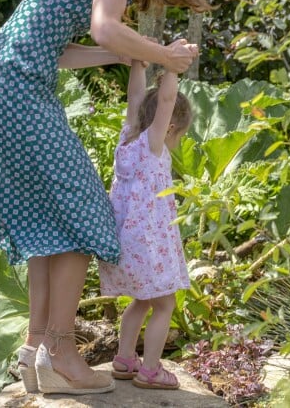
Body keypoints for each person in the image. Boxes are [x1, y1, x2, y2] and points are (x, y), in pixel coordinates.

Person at [0, 0, 208, 396]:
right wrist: (165, 57)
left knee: (47, 222)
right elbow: (103, 28)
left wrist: (131, 52)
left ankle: (35, 354)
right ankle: (65, 355)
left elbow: (67, 51)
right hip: (19, 93)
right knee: (83, 215)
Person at [98, 64, 192, 390]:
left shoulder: (128, 138)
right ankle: (151, 369)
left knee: (141, 301)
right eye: (180, 133)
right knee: (165, 304)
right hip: (148, 245)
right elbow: (165, 101)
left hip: (124, 244)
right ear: (170, 128)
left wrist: (138, 62)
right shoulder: (153, 145)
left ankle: (125, 359)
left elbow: (136, 97)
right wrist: (172, 67)